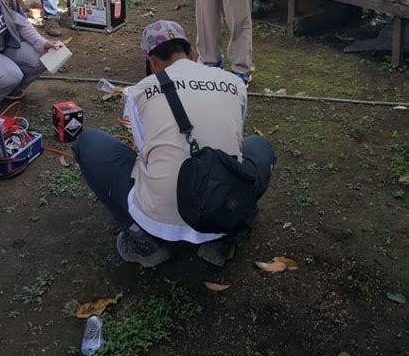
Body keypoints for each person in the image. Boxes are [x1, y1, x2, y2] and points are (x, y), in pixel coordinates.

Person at [73, 20, 275, 268]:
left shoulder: (140, 91)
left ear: (152, 61)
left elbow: (144, 152)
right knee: (260, 147)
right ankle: (222, 239)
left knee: (89, 142)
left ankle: (143, 240)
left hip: (158, 222)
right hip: (223, 209)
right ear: (190, 54)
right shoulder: (234, 83)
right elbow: (235, 143)